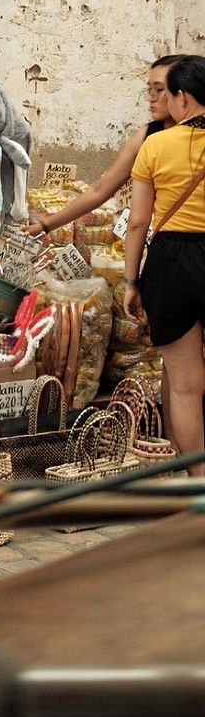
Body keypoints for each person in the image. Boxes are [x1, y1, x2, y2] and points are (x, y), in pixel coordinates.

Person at [124, 55, 205, 477]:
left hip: (172, 261)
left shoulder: (155, 145)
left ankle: (199, 484)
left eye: (167, 93)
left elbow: (138, 221)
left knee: (187, 386)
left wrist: (131, 281)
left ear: (183, 98)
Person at [25, 55, 182, 237]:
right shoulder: (147, 135)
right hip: (165, 243)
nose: (152, 98)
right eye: (150, 90)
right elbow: (101, 191)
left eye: (160, 89)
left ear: (182, 93)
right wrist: (45, 225)